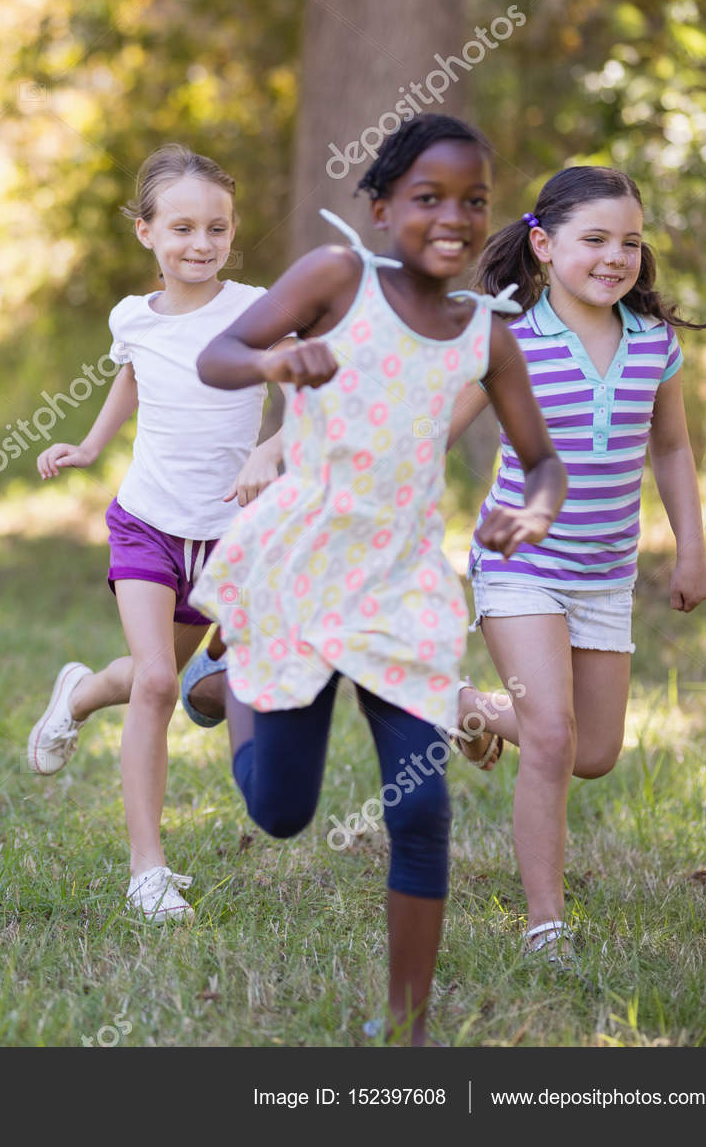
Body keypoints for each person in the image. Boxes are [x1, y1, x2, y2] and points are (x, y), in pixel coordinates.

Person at [191, 114, 568, 1043]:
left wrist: (538, 509)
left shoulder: (488, 331)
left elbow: (541, 458)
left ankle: (406, 1030)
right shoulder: (336, 277)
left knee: (424, 807)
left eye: (473, 200)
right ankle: (233, 678)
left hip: (402, 590)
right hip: (301, 574)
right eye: (428, 197)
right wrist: (277, 358)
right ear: (382, 206)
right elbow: (219, 356)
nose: (452, 216)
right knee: (281, 812)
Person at [446, 167, 706, 966]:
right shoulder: (512, 337)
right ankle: (546, 924)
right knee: (553, 736)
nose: (615, 256)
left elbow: (670, 448)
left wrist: (693, 547)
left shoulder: (654, 343)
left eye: (629, 241)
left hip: (605, 575)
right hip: (520, 565)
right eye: (594, 239)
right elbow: (431, 431)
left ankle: (459, 703)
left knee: (595, 752)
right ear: (543, 243)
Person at [25, 144, 283, 921]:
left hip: (223, 536)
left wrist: (274, 448)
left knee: (145, 677)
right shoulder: (131, 316)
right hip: (145, 523)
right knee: (162, 684)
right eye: (181, 228)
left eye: (216, 228)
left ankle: (76, 693)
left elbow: (310, 379)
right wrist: (94, 443)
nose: (200, 244)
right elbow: (133, 370)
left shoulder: (256, 307)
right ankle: (148, 870)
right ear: (146, 233)